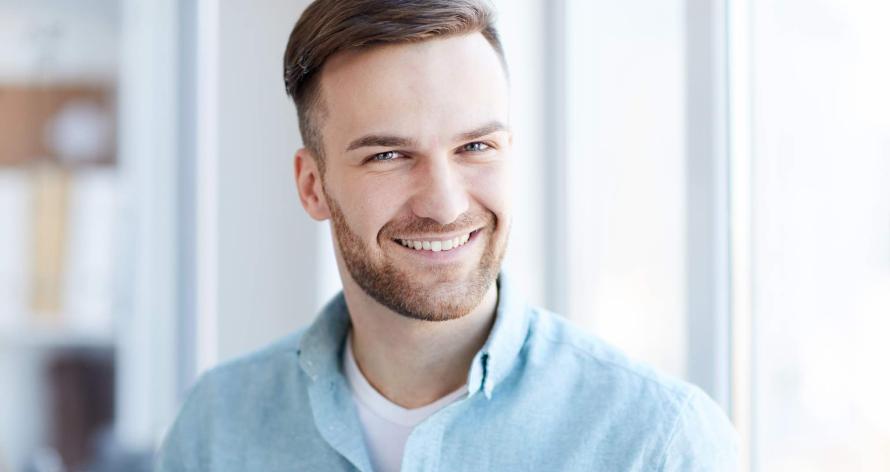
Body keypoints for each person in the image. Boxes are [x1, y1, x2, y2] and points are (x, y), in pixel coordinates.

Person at [156, 1, 739, 470]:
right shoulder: (218, 427)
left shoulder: (658, 442)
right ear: (313, 186)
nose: (444, 203)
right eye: (388, 155)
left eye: (475, 147)